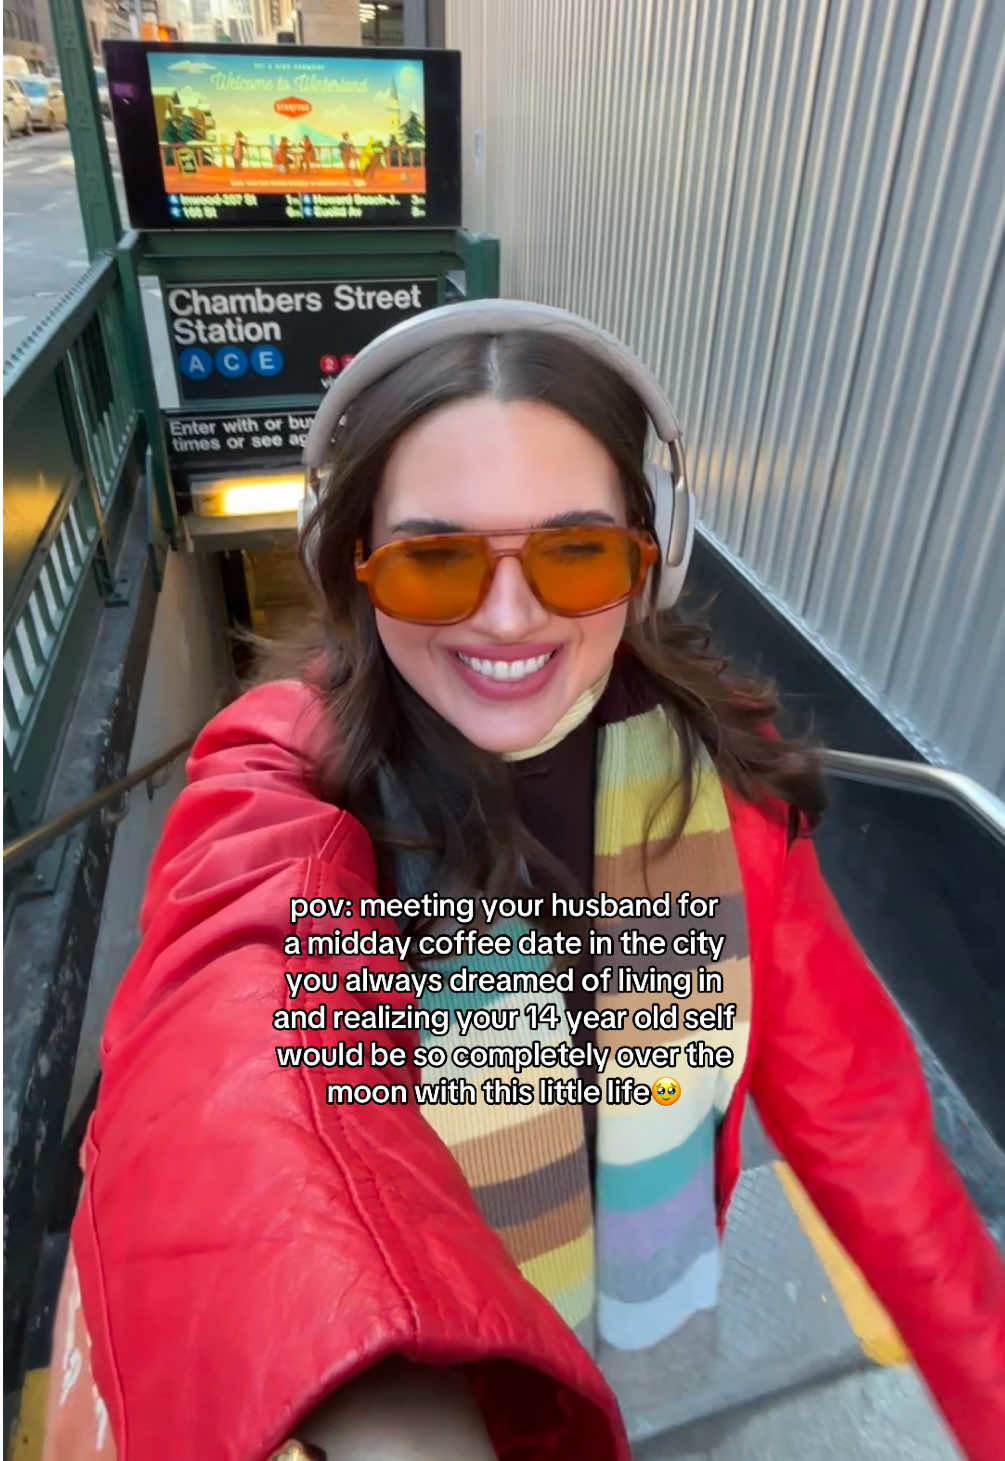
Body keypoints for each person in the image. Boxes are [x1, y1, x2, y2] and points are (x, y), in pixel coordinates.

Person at [44, 302, 1005, 1461]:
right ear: (352, 567)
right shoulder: (293, 780)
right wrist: (372, 1399)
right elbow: (237, 1048)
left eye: (576, 552)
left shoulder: (712, 776)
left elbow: (858, 1114)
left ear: (652, 558)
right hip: (471, 1358)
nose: (510, 618)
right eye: (435, 561)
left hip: (641, 1284)